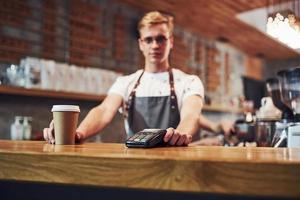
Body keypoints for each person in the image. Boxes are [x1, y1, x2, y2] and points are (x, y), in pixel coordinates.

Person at [44, 11, 204, 146]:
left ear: (171, 42)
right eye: (149, 40)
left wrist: (179, 135)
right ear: (141, 44)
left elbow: (191, 115)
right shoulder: (126, 82)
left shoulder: (189, 81)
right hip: (136, 160)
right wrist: (78, 133)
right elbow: (104, 110)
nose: (155, 45)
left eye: (161, 39)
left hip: (175, 159)